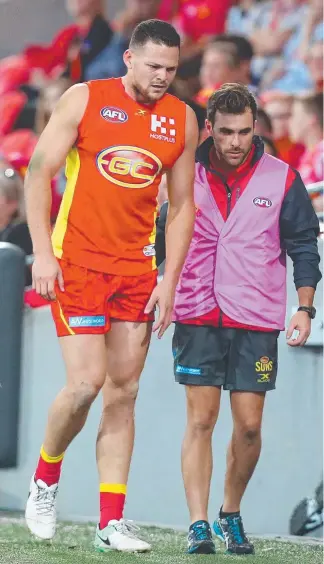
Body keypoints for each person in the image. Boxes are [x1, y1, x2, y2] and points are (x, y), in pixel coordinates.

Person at [24, 19, 198, 552]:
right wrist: (44, 256)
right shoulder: (84, 99)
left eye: (170, 69)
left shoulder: (183, 119)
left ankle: (110, 521)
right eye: (153, 67)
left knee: (124, 392)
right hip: (76, 263)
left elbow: (183, 202)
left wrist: (170, 279)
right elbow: (37, 174)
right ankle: (45, 480)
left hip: (136, 271)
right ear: (128, 58)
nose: (163, 77)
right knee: (85, 384)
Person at [156, 83, 321, 555]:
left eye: (243, 132)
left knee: (249, 427)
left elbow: (304, 246)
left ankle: (230, 512)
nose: (234, 142)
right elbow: (163, 234)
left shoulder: (282, 178)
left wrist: (305, 308)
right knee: (201, 420)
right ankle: (199, 523)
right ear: (209, 128)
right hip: (197, 310)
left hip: (255, 316)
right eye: (225, 132)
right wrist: (160, 284)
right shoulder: (184, 173)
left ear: (255, 129)